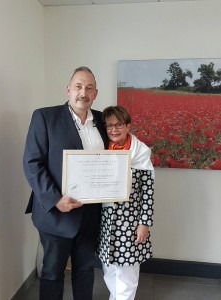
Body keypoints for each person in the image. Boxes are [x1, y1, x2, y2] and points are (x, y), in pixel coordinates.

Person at [23, 66, 108, 300]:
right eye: (79, 86)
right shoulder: (44, 116)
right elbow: (32, 163)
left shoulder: (103, 120)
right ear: (68, 89)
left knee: (85, 270)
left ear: (96, 93)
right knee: (52, 273)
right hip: (56, 213)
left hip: (91, 213)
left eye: (89, 88)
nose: (84, 92)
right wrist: (55, 199)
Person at [97, 105, 154, 300]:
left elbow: (148, 191)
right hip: (105, 220)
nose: (113, 130)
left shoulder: (141, 152)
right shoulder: (100, 150)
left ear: (128, 126)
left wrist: (144, 223)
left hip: (130, 222)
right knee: (109, 269)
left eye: (119, 125)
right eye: (109, 125)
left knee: (127, 274)